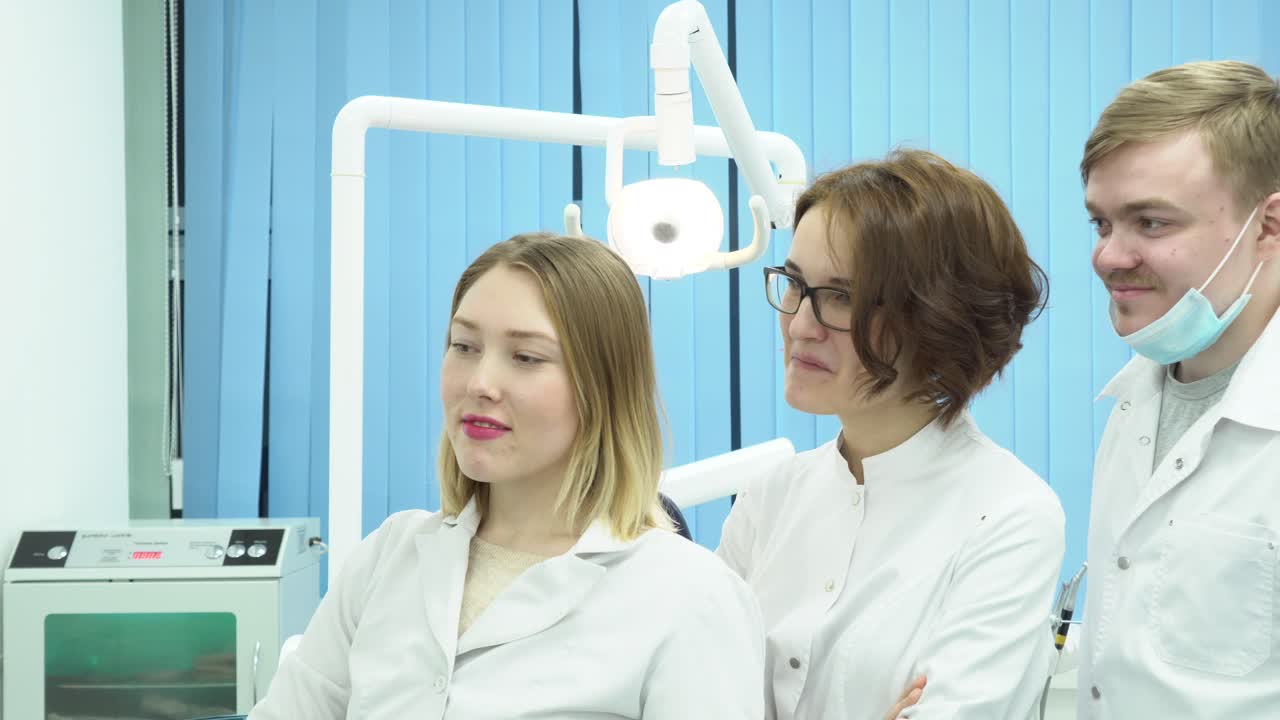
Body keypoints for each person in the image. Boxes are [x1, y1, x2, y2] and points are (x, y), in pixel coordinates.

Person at [250, 232, 765, 719]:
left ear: (604, 387)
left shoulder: (689, 596)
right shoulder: (389, 557)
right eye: (464, 346)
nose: (480, 383)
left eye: (525, 357)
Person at [717, 149, 1066, 719]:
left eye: (843, 297)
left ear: (939, 320)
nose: (799, 325)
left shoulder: (1009, 516)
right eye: (795, 283)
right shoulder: (770, 497)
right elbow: (688, 690)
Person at [1076, 60, 1280, 717]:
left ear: (1268, 227)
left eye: (1152, 223)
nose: (1109, 256)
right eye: (1101, 223)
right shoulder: (1135, 399)